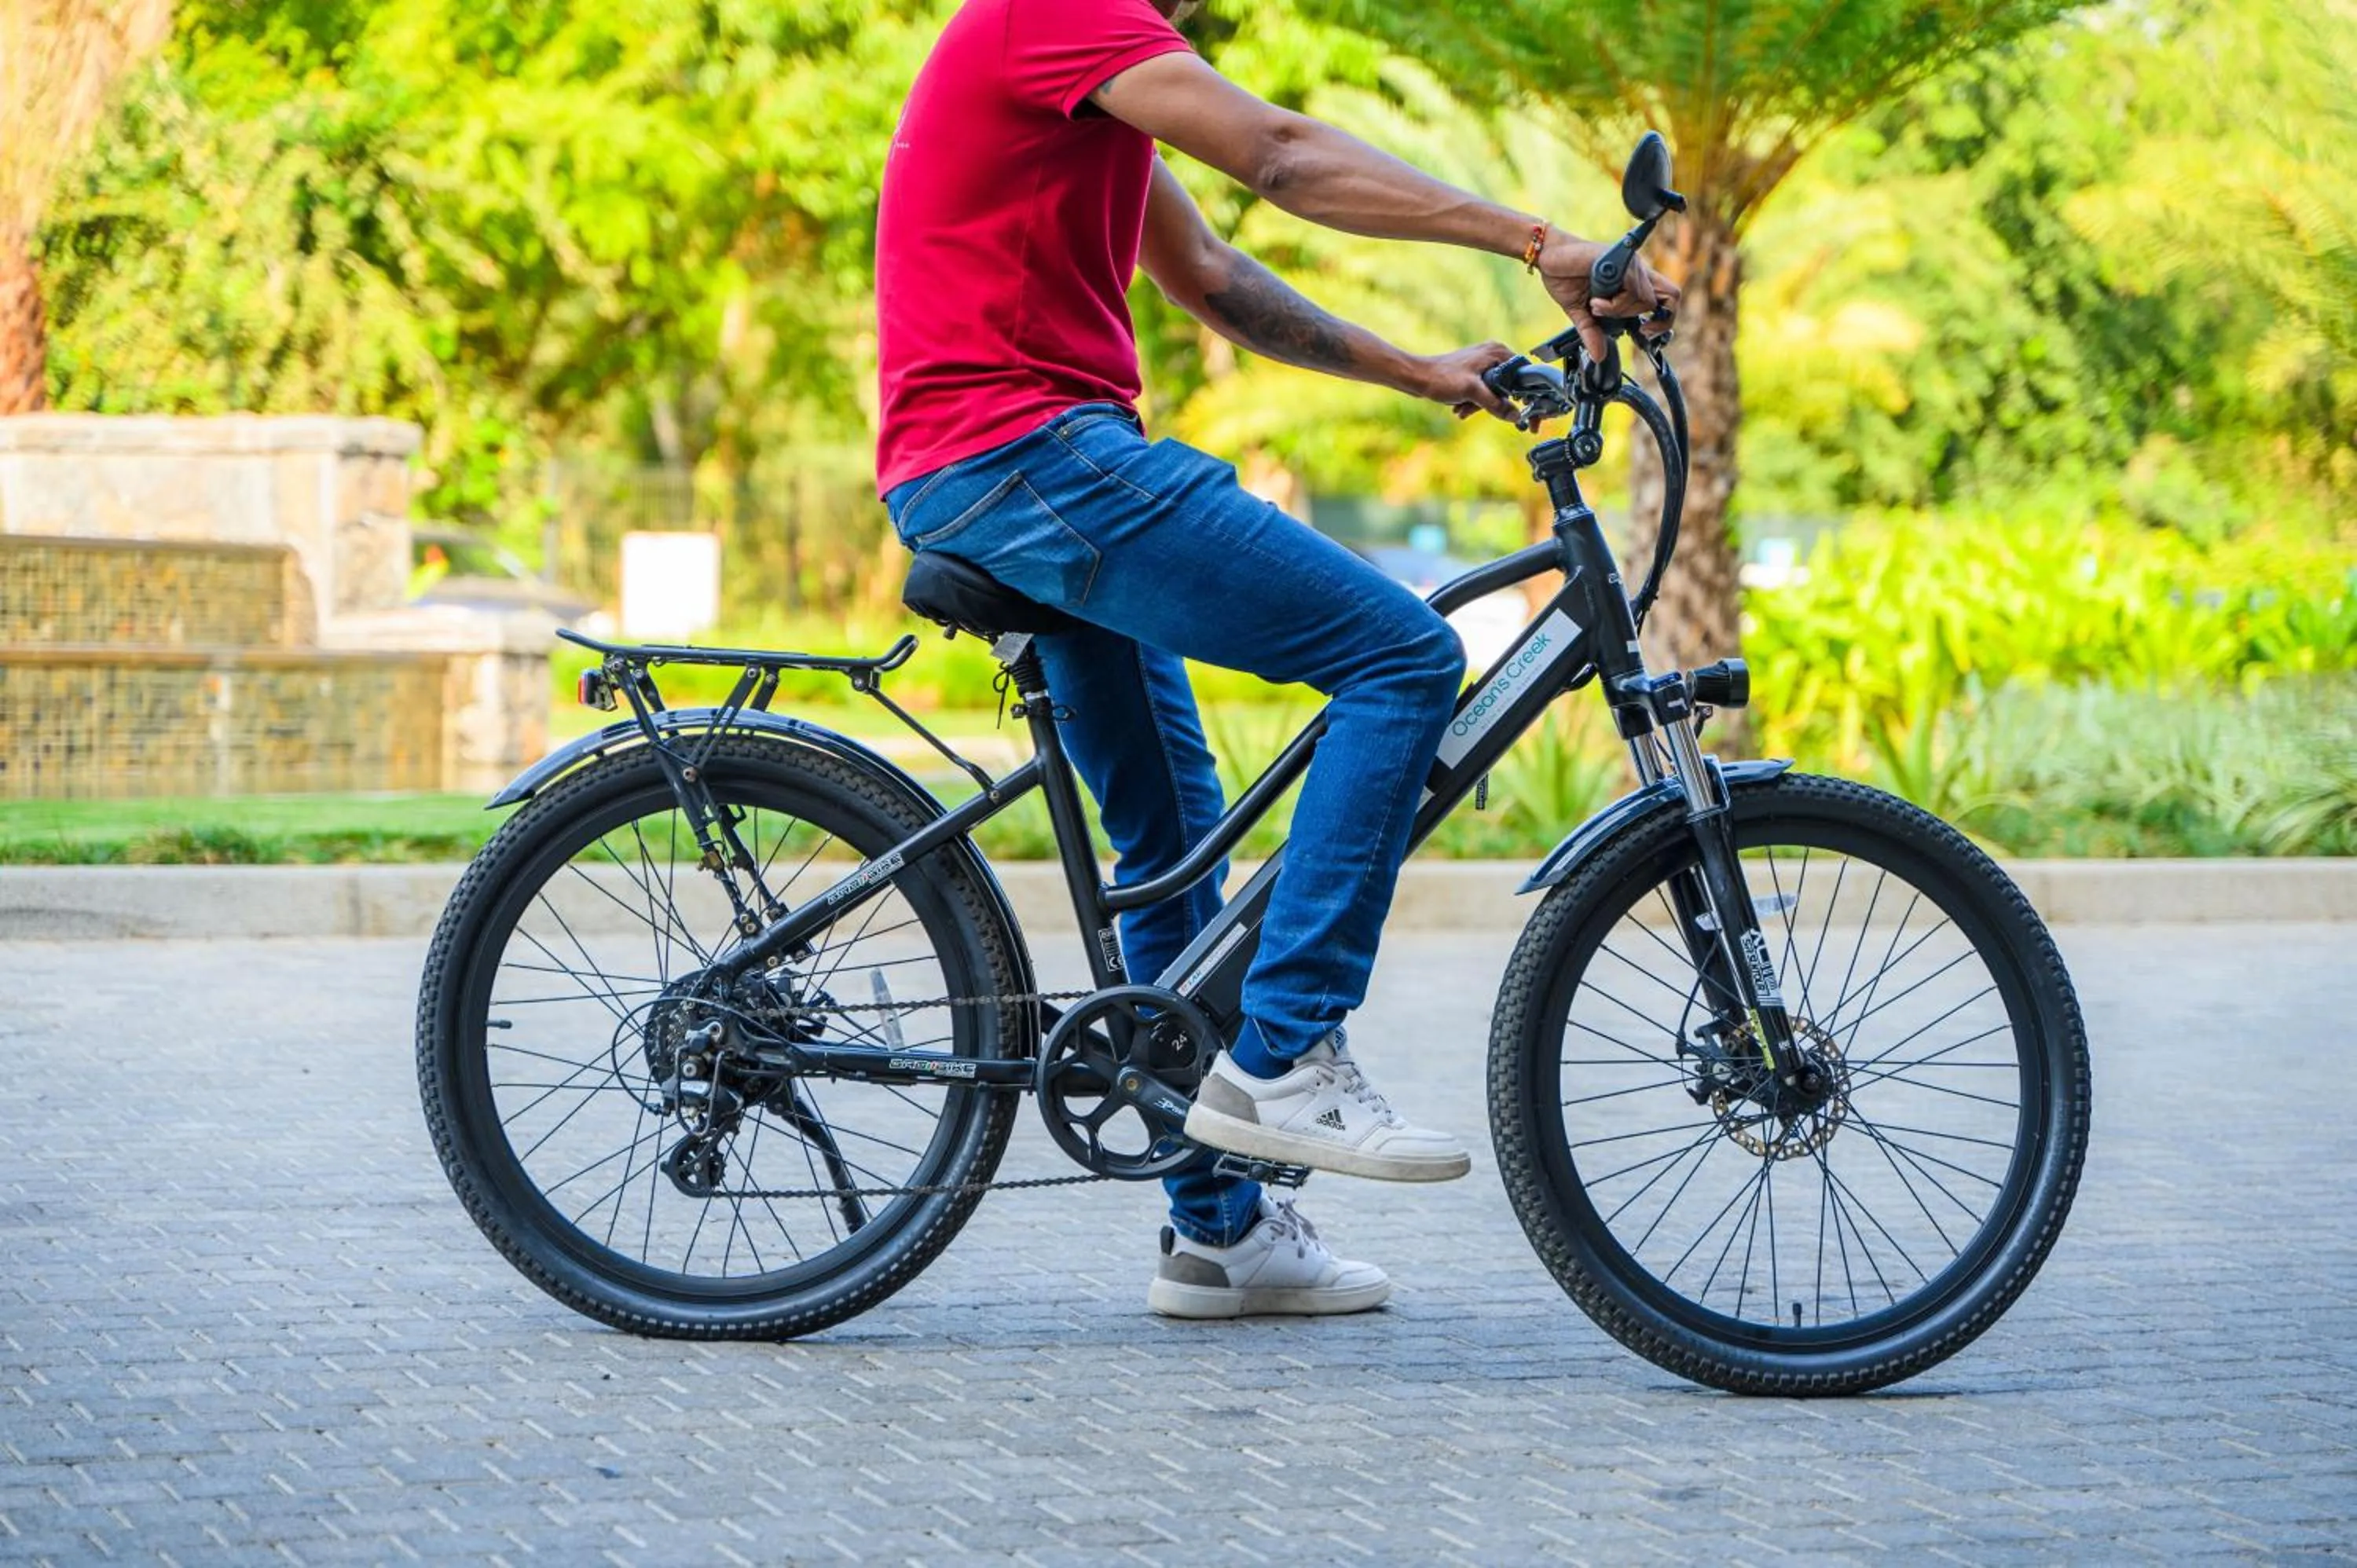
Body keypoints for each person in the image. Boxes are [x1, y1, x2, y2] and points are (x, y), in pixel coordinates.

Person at [874, 0, 1675, 1320]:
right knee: (1404, 658)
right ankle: (1287, 1051)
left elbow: (1214, 281)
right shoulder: (1061, 13)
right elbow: (1284, 158)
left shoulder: (1092, 75)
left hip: (1013, 468)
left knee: (1175, 833)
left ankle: (1222, 1235)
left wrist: (1423, 374)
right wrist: (1538, 242)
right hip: (1029, 461)